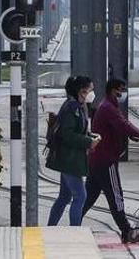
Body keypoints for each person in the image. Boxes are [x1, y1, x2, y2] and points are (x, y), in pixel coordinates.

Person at [81, 78, 139, 244]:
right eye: (120, 90)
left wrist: (138, 137)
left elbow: (123, 125)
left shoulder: (108, 106)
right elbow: (124, 126)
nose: (122, 93)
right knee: (116, 195)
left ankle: (72, 224)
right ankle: (126, 230)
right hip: (106, 160)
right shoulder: (108, 108)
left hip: (97, 159)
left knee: (88, 197)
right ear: (112, 90)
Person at [46, 75, 100, 226]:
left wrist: (91, 136)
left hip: (70, 158)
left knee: (64, 196)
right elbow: (68, 134)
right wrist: (89, 142)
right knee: (80, 196)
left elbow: (79, 129)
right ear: (82, 91)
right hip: (69, 159)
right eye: (90, 90)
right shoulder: (72, 107)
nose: (92, 93)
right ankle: (75, 230)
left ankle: (51, 228)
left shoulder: (78, 105)